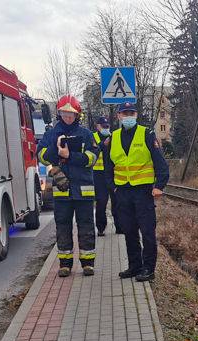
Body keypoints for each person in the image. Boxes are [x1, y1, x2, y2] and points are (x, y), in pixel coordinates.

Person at [104, 102, 169, 282]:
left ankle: (149, 268)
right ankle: (135, 266)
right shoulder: (113, 137)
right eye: (125, 113)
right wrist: (113, 188)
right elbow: (107, 167)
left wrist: (159, 186)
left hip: (143, 192)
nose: (128, 116)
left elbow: (161, 163)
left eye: (131, 113)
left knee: (147, 232)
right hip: (123, 192)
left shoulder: (146, 134)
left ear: (136, 114)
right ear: (118, 116)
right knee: (129, 231)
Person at [37, 95, 98, 278]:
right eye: (64, 113)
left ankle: (88, 263)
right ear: (59, 113)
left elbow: (92, 158)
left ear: (77, 115)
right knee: (62, 226)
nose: (68, 116)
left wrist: (69, 155)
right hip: (61, 190)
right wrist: (56, 152)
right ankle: (65, 264)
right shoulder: (51, 134)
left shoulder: (86, 134)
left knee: (86, 225)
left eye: (71, 114)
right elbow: (40, 154)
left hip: (84, 189)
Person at [91, 116, 120, 236]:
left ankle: (120, 227)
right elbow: (93, 152)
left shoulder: (114, 136)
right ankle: (101, 228)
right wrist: (103, 144)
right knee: (101, 202)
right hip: (99, 175)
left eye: (107, 126)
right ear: (98, 126)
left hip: (113, 173)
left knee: (117, 201)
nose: (106, 128)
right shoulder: (93, 137)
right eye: (103, 126)